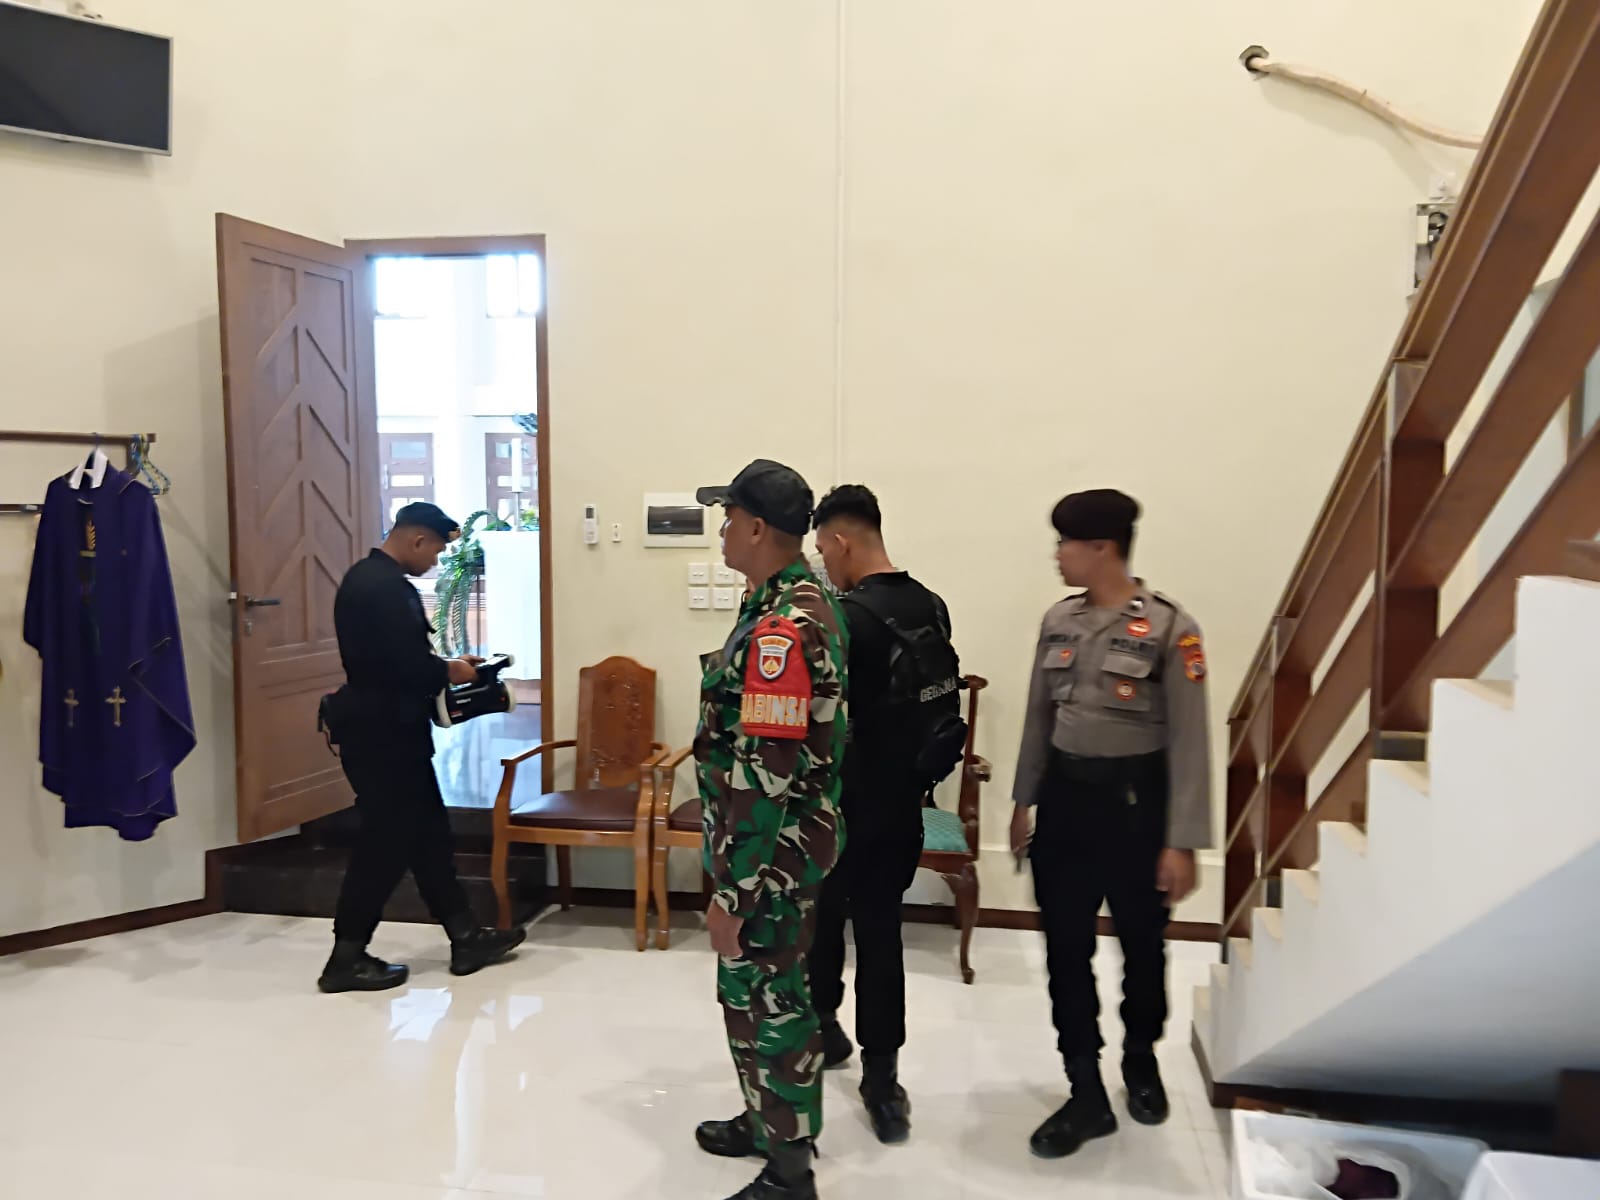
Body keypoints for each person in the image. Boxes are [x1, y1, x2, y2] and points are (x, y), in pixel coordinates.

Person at [1011, 489, 1211, 1158]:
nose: (1056, 555)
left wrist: (1181, 842)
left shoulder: (1171, 628)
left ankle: (1140, 1059)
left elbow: (1190, 742)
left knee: (1143, 949)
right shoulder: (1058, 621)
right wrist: (1023, 801)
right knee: (1065, 950)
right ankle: (1084, 1087)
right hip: (1066, 804)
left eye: (1065, 543)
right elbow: (1039, 716)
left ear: (1102, 548)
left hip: (1137, 810)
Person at [691, 459, 848, 1200]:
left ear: (757, 528)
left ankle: (789, 1170)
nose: (722, 532)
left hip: (771, 854)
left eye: (728, 519)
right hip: (774, 844)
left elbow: (766, 772)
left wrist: (737, 890)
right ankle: (766, 1119)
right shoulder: (783, 602)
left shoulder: (784, 626)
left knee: (771, 1001)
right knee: (755, 990)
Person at [316, 502, 526, 994]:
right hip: (382, 736)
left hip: (390, 731)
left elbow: (395, 657)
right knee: (385, 844)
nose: (435, 561)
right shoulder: (387, 587)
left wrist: (447, 665)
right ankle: (345, 958)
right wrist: (452, 671)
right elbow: (406, 667)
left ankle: (466, 938)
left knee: (430, 835)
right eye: (434, 551)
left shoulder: (368, 580)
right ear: (416, 540)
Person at [807, 484, 960, 1144]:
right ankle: (883, 1080)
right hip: (903, 804)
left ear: (842, 542)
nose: (824, 562)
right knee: (880, 934)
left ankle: (824, 1029)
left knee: (822, 922)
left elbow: (818, 717)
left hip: (843, 804)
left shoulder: (845, 618)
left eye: (823, 549)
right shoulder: (931, 605)